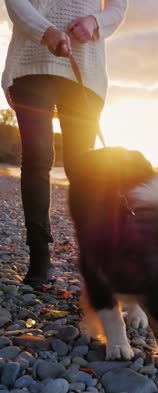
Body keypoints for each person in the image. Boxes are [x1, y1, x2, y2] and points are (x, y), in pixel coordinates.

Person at [2, 0, 128, 287]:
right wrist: (46, 32)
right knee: (37, 157)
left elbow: (118, 6)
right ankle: (39, 257)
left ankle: (94, 256)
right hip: (32, 60)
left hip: (85, 65)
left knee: (82, 166)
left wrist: (94, 22)